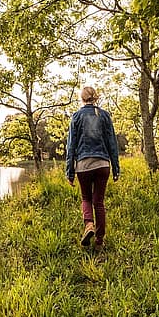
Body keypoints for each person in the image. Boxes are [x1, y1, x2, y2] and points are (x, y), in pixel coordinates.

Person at [66, 86, 120, 249]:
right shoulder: (104, 115)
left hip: (83, 164)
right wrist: (116, 167)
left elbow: (71, 146)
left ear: (81, 99)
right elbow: (112, 143)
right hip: (103, 164)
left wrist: (70, 171)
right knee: (99, 202)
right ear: (96, 98)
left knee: (86, 198)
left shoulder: (76, 116)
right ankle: (99, 241)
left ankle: (89, 224)